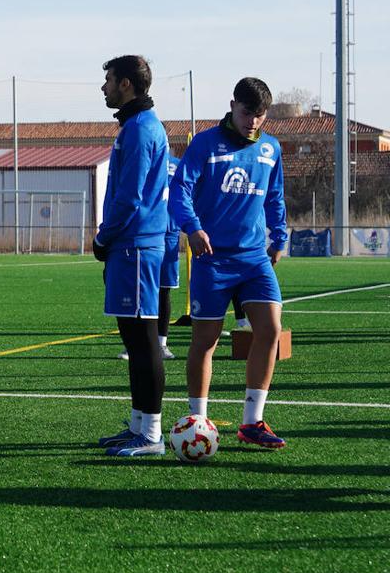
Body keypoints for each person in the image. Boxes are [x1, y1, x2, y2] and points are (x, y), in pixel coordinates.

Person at [170, 77, 289, 448]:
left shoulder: (271, 148)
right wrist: (192, 228)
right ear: (233, 105)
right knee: (206, 340)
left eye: (260, 115)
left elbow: (275, 196)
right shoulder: (205, 144)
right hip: (212, 258)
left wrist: (280, 235)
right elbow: (180, 191)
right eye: (247, 113)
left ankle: (252, 422)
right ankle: (198, 419)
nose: (253, 121)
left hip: (254, 258)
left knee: (269, 330)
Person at [93, 56, 170, 457]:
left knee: (144, 342)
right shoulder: (134, 126)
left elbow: (131, 197)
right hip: (130, 246)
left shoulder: (141, 129)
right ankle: (139, 425)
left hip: (136, 245)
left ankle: (152, 434)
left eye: (107, 80)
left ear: (126, 84)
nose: (103, 87)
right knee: (133, 339)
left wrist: (103, 238)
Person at [118, 152, 180, 363]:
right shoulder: (138, 163)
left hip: (168, 234)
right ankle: (135, 345)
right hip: (143, 234)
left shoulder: (177, 166)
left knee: (163, 290)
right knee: (140, 290)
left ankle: (162, 343)